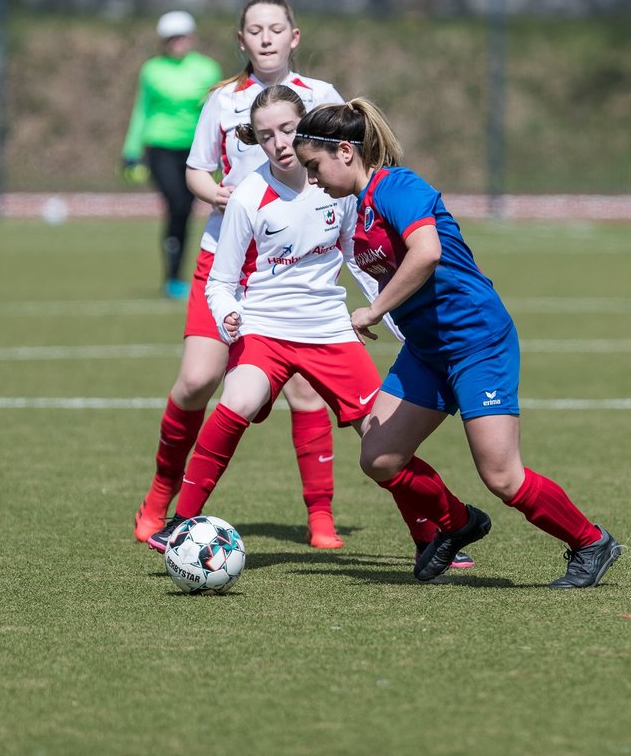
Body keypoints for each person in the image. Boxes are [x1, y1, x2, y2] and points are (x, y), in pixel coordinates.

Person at [145, 85, 480, 571]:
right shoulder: (247, 196)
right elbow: (220, 280)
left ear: (304, 128)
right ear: (255, 141)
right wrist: (228, 314)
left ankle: (433, 534)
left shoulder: (335, 186)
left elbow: (359, 260)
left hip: (329, 330)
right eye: (265, 136)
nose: (278, 143)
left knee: (381, 437)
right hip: (265, 328)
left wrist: (387, 314)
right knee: (234, 401)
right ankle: (183, 519)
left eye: (286, 130)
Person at [291, 97, 622, 588]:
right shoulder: (358, 209)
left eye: (313, 165)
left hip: (476, 342)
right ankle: (458, 522)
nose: (311, 178)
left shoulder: (398, 186)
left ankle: (590, 542)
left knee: (502, 476)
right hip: (428, 350)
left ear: (344, 151)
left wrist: (376, 309)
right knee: (379, 457)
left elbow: (427, 253)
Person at [131, 0, 351, 553]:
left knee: (304, 391)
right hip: (225, 259)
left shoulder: (322, 96)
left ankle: (320, 517)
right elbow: (197, 172)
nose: (267, 38)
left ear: (294, 36)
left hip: (292, 265)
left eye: (277, 28)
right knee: (198, 380)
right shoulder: (223, 99)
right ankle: (160, 497)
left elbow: (344, 166)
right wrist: (230, 198)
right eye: (255, 30)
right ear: (241, 40)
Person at [121, 10, 222, 300]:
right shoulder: (152, 70)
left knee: (185, 211)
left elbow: (214, 114)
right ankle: (173, 277)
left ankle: (180, 276)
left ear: (191, 37)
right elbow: (142, 110)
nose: (177, 42)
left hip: (196, 151)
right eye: (171, 38)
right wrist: (130, 151)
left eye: (182, 36)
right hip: (160, 147)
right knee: (177, 204)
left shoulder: (208, 70)